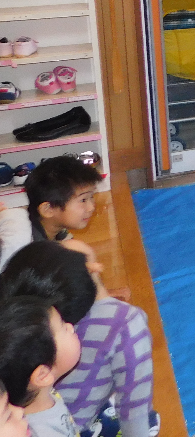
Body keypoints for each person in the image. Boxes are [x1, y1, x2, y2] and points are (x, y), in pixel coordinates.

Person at [1, 241, 156, 437]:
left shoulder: (20, 333)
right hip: (82, 425)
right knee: (151, 420)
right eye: (64, 327)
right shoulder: (125, 323)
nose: (70, 327)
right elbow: (135, 407)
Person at [0, 296, 82, 437]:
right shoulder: (40, 431)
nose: (70, 326)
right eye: (62, 326)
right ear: (43, 375)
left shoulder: (44, 393)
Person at [25, 157, 101, 243]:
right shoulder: (34, 250)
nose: (91, 207)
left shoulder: (56, 232)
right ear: (48, 209)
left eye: (92, 196)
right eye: (83, 200)